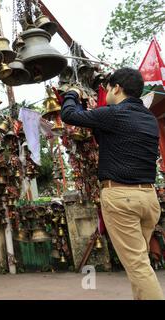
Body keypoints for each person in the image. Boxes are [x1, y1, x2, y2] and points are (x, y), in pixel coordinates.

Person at [61, 67, 164, 300]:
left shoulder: (113, 114)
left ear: (117, 88)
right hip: (148, 200)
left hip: (121, 198)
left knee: (138, 267)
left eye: (108, 87)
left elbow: (68, 115)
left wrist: (73, 94)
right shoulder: (149, 118)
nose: (106, 91)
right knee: (139, 264)